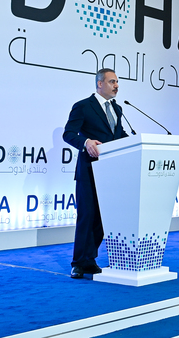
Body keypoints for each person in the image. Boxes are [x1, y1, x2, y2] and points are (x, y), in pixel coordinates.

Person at [63, 69, 128, 278]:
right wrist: (86, 142)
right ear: (100, 84)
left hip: (110, 171)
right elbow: (69, 134)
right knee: (87, 216)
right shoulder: (83, 106)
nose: (116, 85)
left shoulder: (117, 109)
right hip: (89, 170)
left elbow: (118, 135)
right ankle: (78, 263)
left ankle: (90, 259)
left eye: (117, 82)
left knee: (102, 218)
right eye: (112, 82)